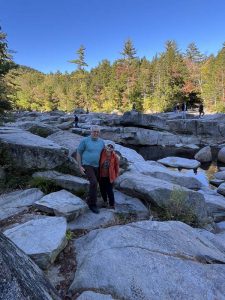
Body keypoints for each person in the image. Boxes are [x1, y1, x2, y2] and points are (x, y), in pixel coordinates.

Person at [76, 125, 105, 214]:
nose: (96, 133)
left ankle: (100, 199)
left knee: (101, 182)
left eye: (97, 132)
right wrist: (80, 166)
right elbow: (78, 153)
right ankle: (92, 204)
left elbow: (104, 153)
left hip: (98, 166)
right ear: (91, 132)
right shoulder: (85, 141)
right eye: (94, 131)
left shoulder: (101, 142)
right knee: (93, 182)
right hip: (87, 164)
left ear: (99, 133)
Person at [99, 142, 120, 209]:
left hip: (109, 176)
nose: (109, 148)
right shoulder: (102, 153)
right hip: (101, 175)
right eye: (108, 146)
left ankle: (112, 205)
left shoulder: (115, 156)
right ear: (106, 147)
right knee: (102, 189)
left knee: (109, 190)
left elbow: (116, 166)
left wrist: (116, 175)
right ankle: (105, 202)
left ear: (113, 149)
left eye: (111, 147)